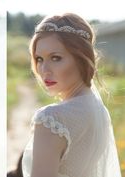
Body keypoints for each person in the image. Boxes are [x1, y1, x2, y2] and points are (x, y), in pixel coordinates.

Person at [21, 13, 121, 177]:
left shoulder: (51, 119)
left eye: (56, 58)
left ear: (81, 58)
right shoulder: (98, 110)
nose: (44, 70)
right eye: (39, 59)